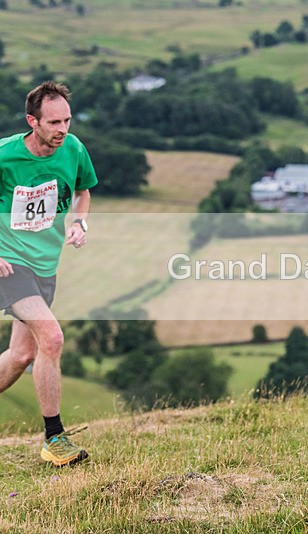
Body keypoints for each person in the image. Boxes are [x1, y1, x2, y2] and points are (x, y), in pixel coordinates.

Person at [0, 81, 98, 466]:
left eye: (67, 120)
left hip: (45, 267)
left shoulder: (73, 149)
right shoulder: (5, 155)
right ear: (32, 121)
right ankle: (54, 439)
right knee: (52, 338)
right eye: (53, 122)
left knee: (22, 354)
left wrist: (80, 224)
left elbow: (83, 190)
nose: (62, 129)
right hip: (9, 264)